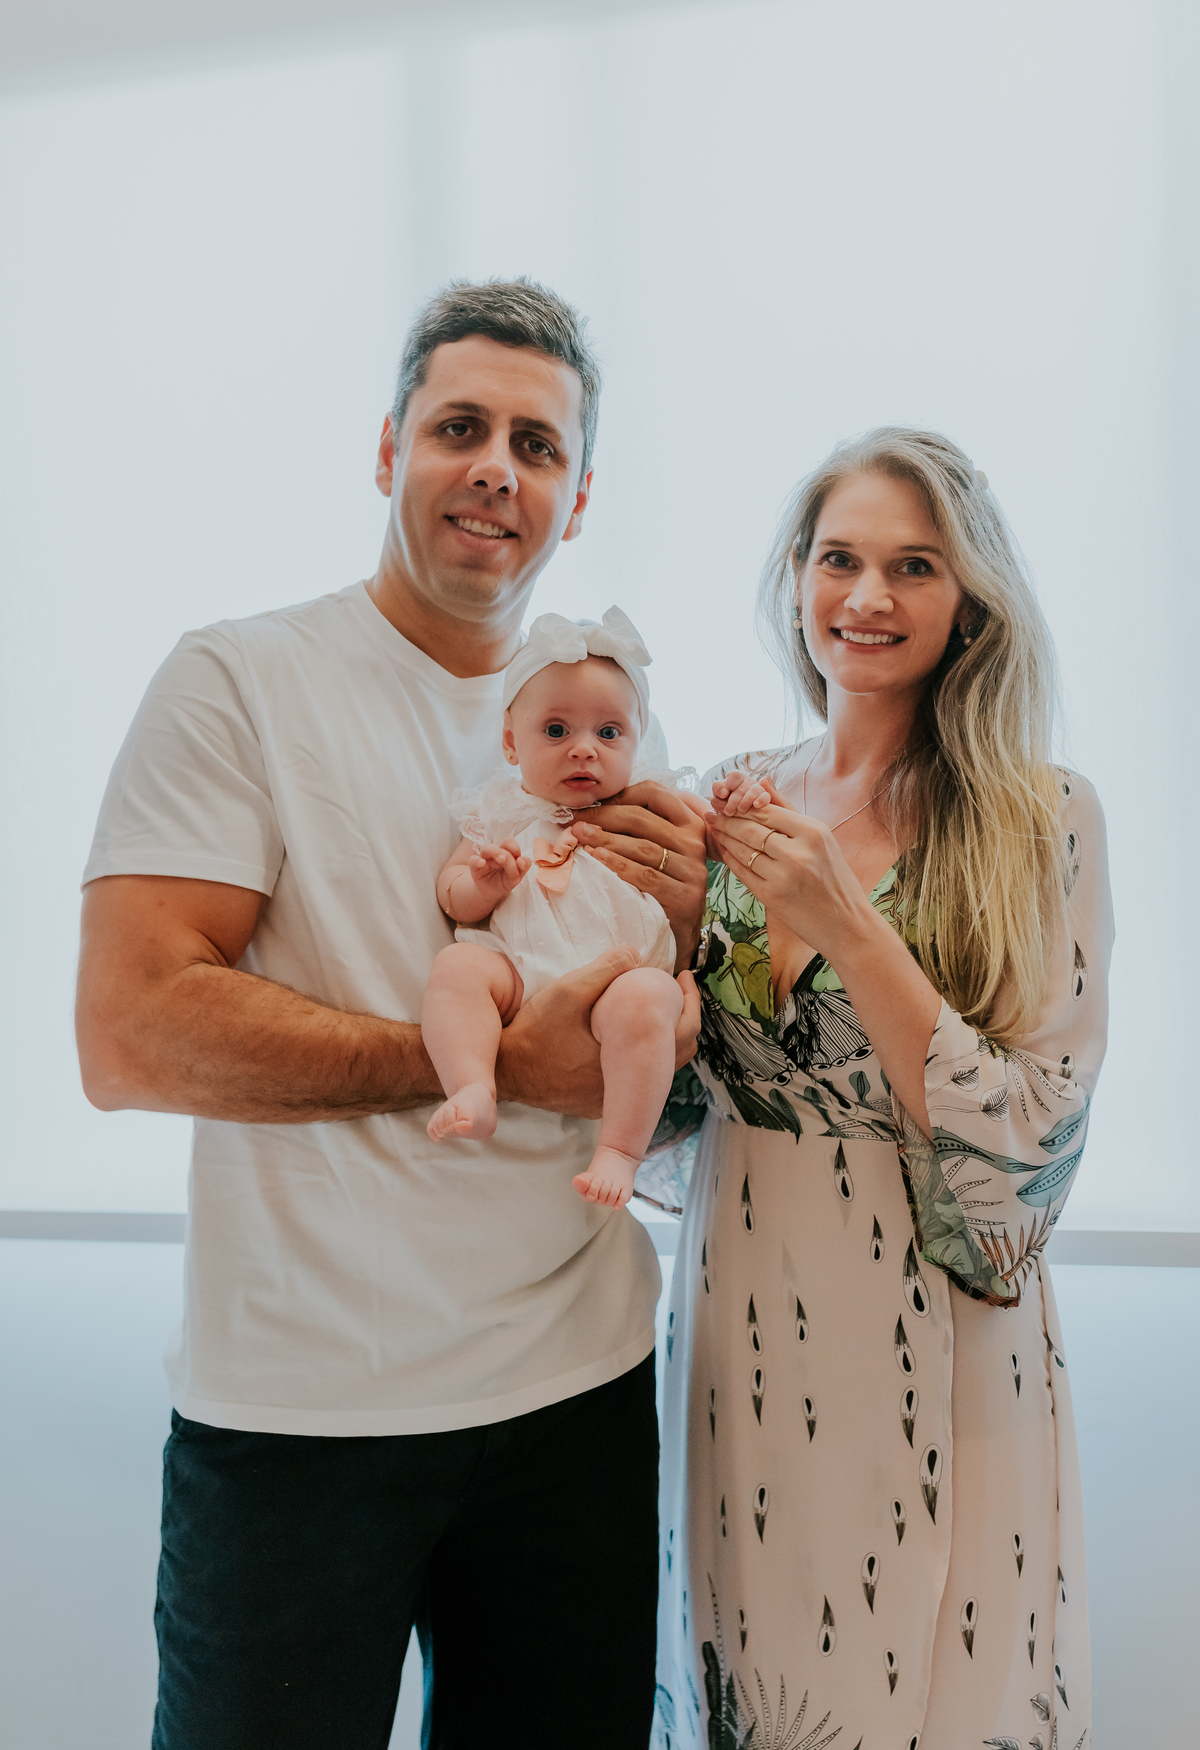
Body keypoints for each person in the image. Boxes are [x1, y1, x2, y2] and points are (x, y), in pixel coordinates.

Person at [73, 278, 707, 1750]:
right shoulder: (240, 680)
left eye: (538, 445)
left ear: (580, 494)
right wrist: (465, 1056)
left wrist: (680, 965)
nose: (497, 466)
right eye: (460, 427)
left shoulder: (609, 726)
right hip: (302, 1415)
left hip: (576, 1399)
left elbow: (665, 1063)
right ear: (387, 450)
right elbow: (128, 1032)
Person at [651, 428, 1112, 1750]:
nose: (867, 597)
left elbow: (1036, 1129)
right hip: (740, 1316)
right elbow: (670, 1112)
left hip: (937, 1335)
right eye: (839, 558)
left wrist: (849, 921)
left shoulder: (1041, 819)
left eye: (913, 565)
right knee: (752, 1673)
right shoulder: (722, 802)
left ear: (969, 596)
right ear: (796, 577)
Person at [425, 605, 697, 1209]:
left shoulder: (653, 805)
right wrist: (483, 884)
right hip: (521, 972)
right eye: (556, 731)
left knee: (650, 999)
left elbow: (714, 843)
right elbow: (452, 898)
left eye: (608, 732)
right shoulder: (498, 811)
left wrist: (740, 802)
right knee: (458, 971)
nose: (583, 751)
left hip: (620, 978)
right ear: (509, 741)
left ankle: (622, 1151)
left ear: (637, 736)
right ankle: (472, 1086)